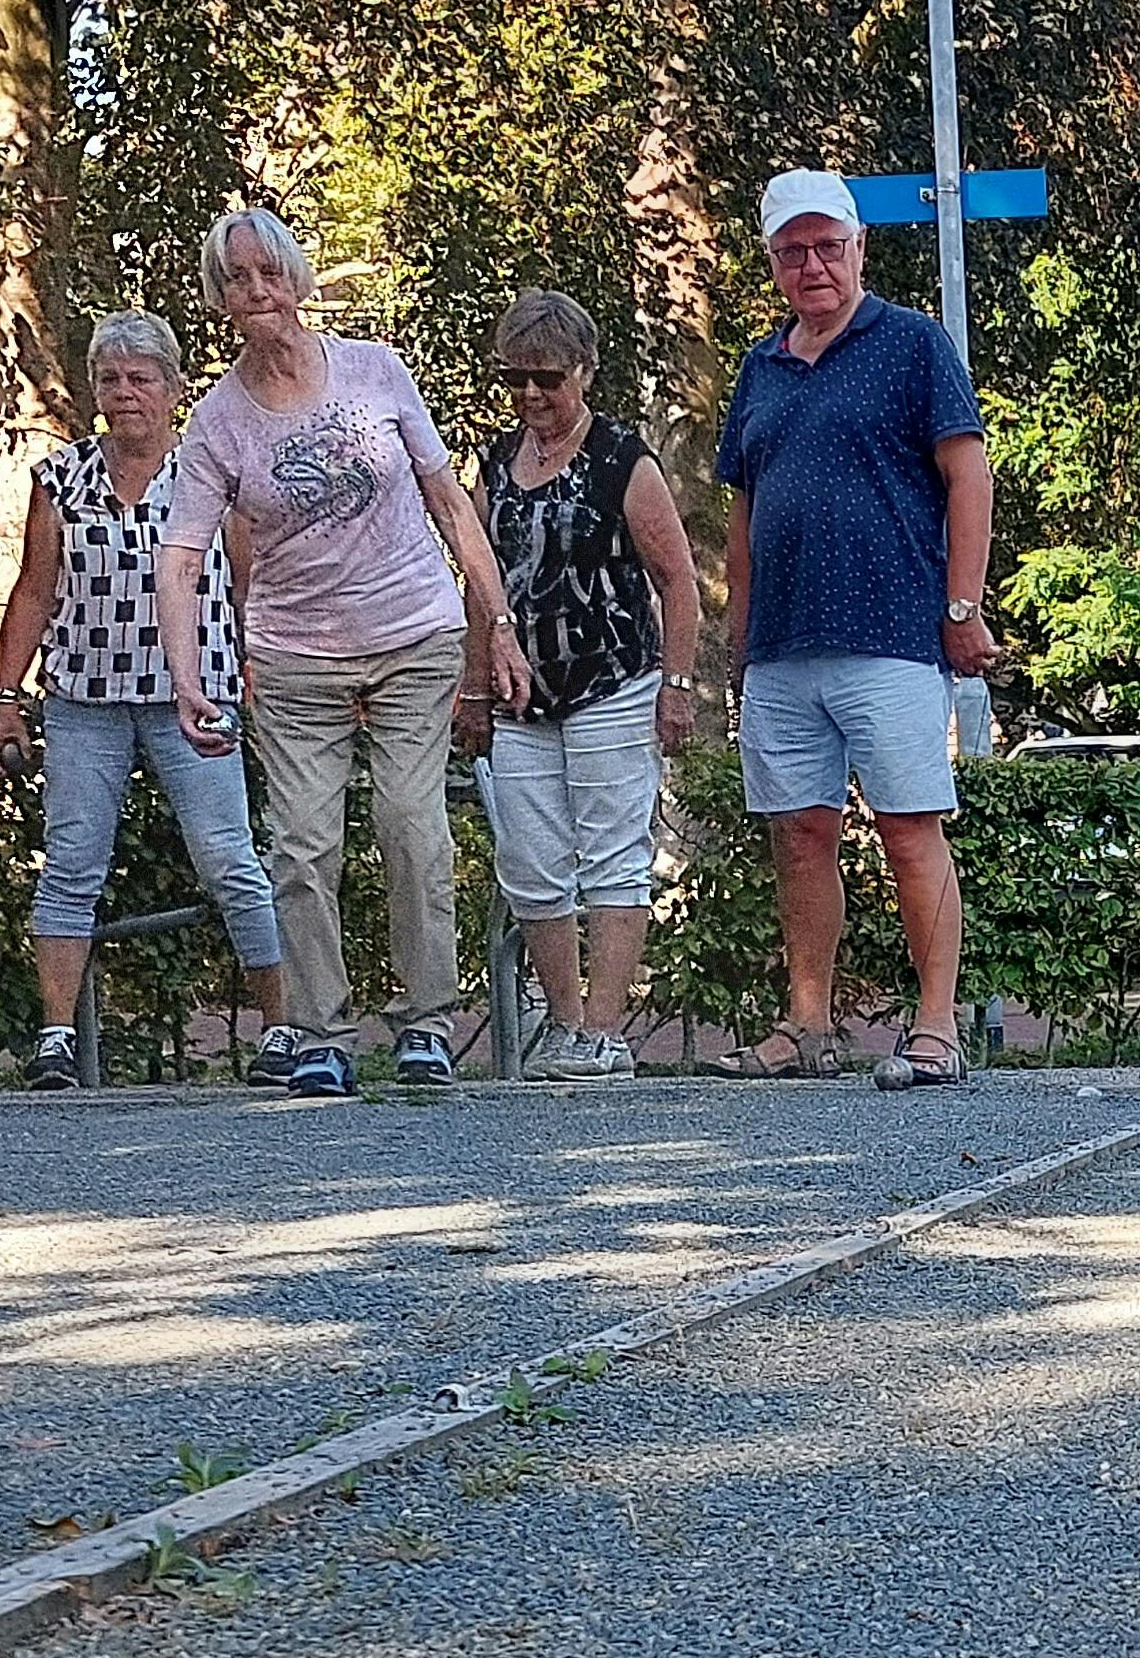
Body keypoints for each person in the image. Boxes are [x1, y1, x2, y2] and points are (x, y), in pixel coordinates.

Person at [158, 206, 526, 1099]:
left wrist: (500, 623)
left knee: (411, 825)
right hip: (294, 652)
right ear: (220, 298)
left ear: (298, 278)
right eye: (238, 279)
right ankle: (320, 1030)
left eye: (270, 273)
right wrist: (185, 678)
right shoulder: (219, 422)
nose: (258, 293)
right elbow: (180, 554)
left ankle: (427, 1022)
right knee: (301, 844)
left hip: (412, 631)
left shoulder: (374, 371)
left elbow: (450, 504)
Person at [706, 167, 992, 1088]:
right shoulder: (761, 366)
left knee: (910, 829)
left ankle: (938, 1027)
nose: (814, 265)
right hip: (784, 647)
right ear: (773, 263)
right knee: (799, 835)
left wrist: (962, 607)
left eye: (830, 245)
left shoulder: (913, 343)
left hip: (893, 634)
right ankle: (807, 1024)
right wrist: (737, 641)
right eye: (794, 251)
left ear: (861, 248)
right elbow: (742, 519)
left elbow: (969, 478)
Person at [0, 313, 289, 1089]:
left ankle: (284, 1029)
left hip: (197, 692)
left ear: (175, 391)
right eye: (110, 379)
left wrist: (266, 670)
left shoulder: (212, 475)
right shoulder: (62, 479)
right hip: (86, 693)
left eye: (141, 379)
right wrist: (3, 696)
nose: (125, 395)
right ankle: (55, 1038)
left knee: (229, 861)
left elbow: (252, 585)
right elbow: (35, 590)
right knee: (72, 864)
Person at [479, 288, 700, 1078]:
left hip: (613, 681)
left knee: (613, 851)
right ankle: (564, 1023)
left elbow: (677, 580)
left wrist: (677, 685)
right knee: (531, 860)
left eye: (547, 377)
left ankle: (605, 1031)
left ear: (584, 373)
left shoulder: (622, 460)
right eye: (516, 379)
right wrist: (477, 685)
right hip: (520, 694)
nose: (532, 395)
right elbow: (485, 584)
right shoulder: (495, 466)